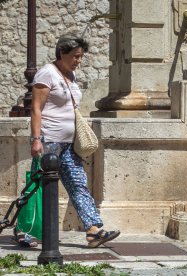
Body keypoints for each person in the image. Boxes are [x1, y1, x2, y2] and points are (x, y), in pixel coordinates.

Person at [26, 34, 120, 248]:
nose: (79, 61)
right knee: (38, 186)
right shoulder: (47, 74)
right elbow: (36, 109)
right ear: (62, 53)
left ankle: (94, 231)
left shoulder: (70, 76)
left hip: (69, 143)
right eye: (76, 56)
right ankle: (27, 231)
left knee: (78, 183)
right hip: (48, 140)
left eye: (81, 57)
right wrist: (36, 139)